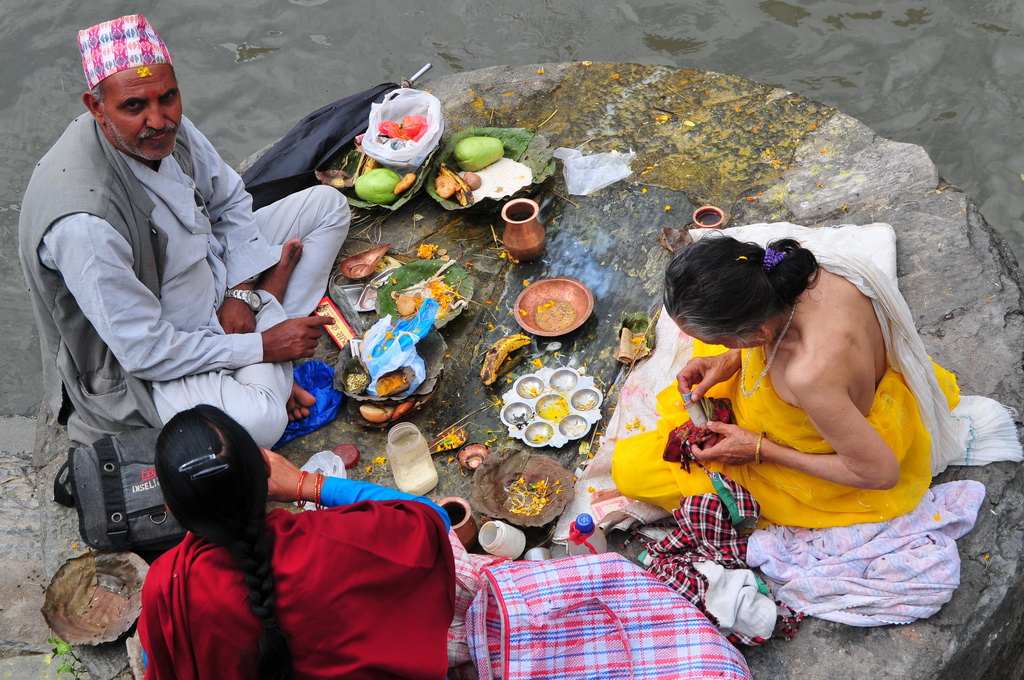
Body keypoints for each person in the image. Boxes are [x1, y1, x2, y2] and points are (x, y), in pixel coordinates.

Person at [18, 14, 349, 447]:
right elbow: (146, 352)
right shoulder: (85, 223)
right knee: (261, 421)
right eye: (133, 106)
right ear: (97, 107)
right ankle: (271, 328)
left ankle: (264, 315)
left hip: (218, 281)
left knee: (328, 207)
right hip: (155, 359)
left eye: (168, 97)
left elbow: (230, 201)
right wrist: (262, 348)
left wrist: (241, 292)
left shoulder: (166, 128)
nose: (158, 120)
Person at [612, 235, 966, 528]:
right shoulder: (806, 269)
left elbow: (879, 474)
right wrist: (727, 358)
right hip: (832, 383)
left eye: (729, 342)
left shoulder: (809, 374)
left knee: (631, 470)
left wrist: (758, 450)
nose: (724, 347)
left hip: (834, 433)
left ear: (760, 333)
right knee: (707, 333)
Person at [139, 405, 456, 680]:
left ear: (171, 508)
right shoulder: (334, 538)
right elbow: (431, 519)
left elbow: (161, 660)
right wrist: (306, 483)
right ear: (265, 469)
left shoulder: (167, 586)